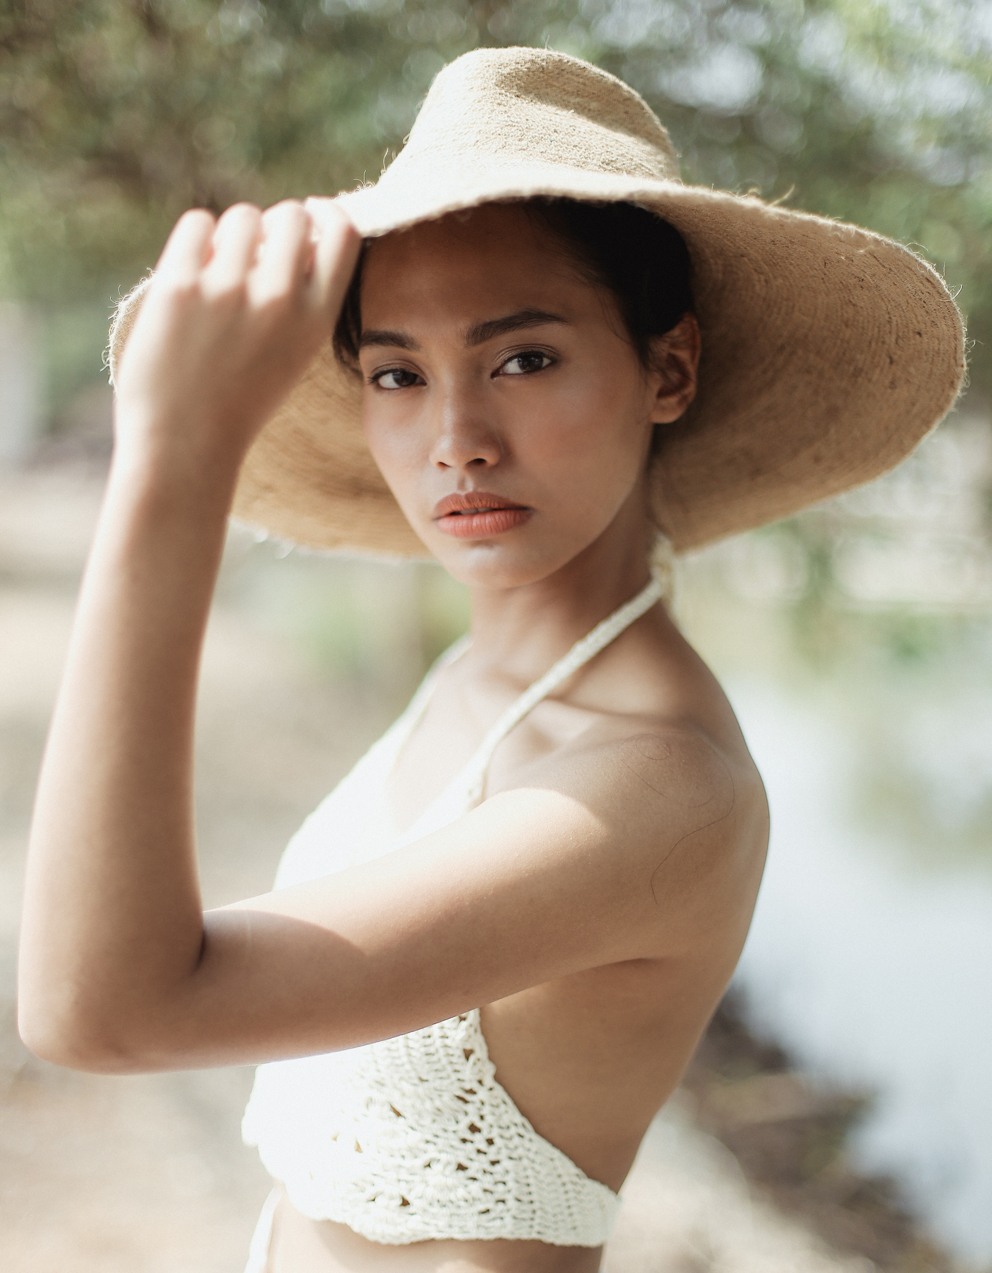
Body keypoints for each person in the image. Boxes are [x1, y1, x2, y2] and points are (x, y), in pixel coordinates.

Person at [17, 46, 964, 1273]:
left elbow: (99, 1008)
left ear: (664, 368)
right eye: (398, 373)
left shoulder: (655, 785)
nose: (455, 440)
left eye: (522, 358)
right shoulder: (475, 682)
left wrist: (174, 467)